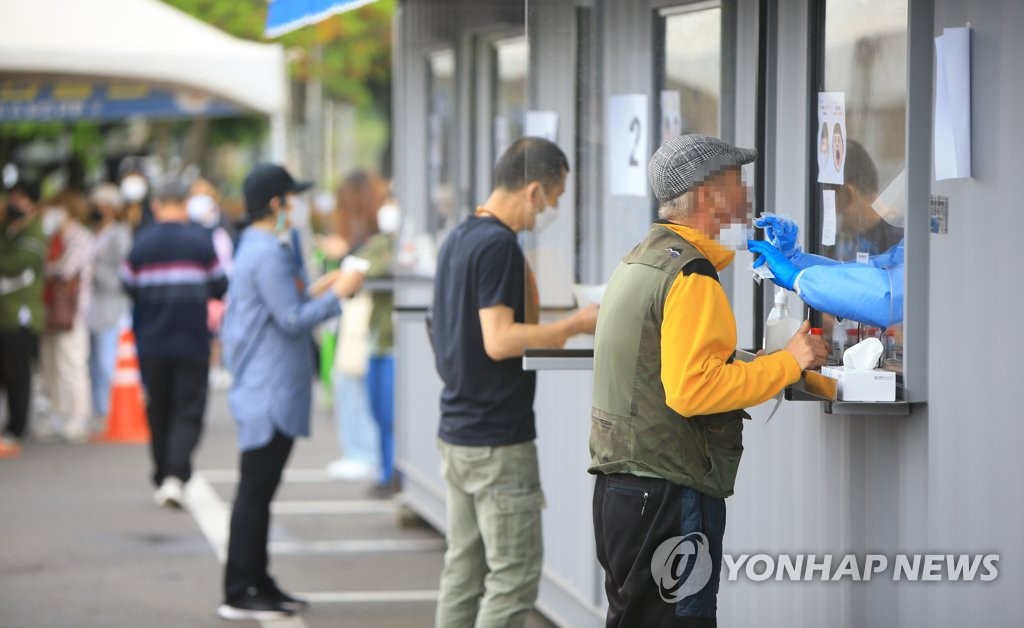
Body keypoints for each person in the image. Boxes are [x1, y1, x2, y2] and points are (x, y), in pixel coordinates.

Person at [589, 134, 829, 627]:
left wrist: (749, 361)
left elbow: (664, 362)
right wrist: (790, 361)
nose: (747, 198)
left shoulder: (644, 259)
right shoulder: (692, 276)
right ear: (707, 197)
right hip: (668, 498)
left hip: (624, 495)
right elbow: (692, 389)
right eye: (737, 183)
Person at [431, 137, 599, 628]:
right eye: (558, 195)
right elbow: (500, 339)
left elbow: (446, 327)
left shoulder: (460, 238)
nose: (556, 208)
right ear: (534, 192)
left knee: (463, 570)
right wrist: (572, 325)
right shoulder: (499, 245)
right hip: (497, 440)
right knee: (514, 576)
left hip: (457, 432)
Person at [217, 163, 364, 621]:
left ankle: (256, 580)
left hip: (265, 386)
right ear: (277, 203)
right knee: (255, 492)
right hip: (268, 390)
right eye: (292, 199)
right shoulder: (266, 251)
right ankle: (241, 587)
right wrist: (343, 292)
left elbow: (288, 303)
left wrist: (324, 286)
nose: (298, 207)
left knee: (258, 490)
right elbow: (293, 319)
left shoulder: (263, 245)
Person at [120, 178, 228, 508]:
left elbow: (128, 285)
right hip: (192, 341)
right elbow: (220, 285)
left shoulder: (142, 243)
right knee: (188, 408)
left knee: (159, 408)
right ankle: (175, 475)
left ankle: (164, 473)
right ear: (185, 204)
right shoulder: (200, 241)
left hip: (152, 341)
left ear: (156, 205)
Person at [37, 190, 95, 441]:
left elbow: (66, 270)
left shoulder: (81, 237)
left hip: (73, 312)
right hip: (49, 309)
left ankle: (78, 417)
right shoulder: (52, 238)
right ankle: (57, 414)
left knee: (72, 364)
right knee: (51, 366)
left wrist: (43, 268)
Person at [0, 180, 46, 457]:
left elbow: (16, 264)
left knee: (18, 375)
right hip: (4, 315)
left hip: (21, 317)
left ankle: (17, 428)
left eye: (20, 199)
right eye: (11, 198)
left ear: (33, 204)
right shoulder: (10, 231)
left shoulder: (34, 234)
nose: (14, 204)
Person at [86, 183, 132, 427]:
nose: (95, 210)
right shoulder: (93, 232)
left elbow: (123, 275)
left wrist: (95, 270)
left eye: (100, 206)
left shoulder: (120, 234)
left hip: (112, 307)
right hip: (91, 307)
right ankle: (99, 410)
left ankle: (111, 412)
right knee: (93, 363)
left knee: (107, 362)